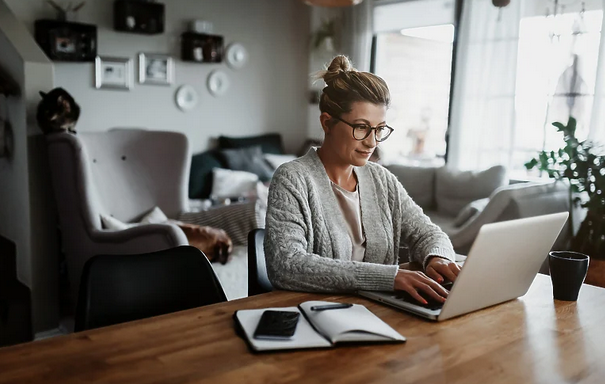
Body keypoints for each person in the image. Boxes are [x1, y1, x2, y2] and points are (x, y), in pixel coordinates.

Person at [264, 55, 460, 305]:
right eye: (361, 127)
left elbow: (428, 233)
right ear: (327, 123)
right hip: (318, 314)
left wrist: (437, 258)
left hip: (381, 310)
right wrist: (390, 277)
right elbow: (287, 265)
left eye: (379, 129)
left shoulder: (381, 179)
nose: (372, 142)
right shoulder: (293, 179)